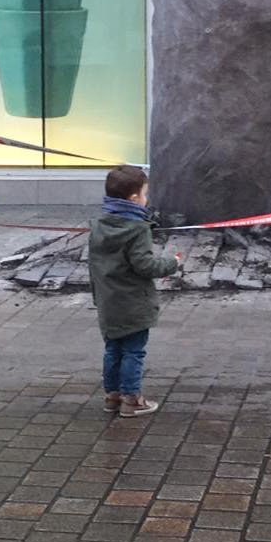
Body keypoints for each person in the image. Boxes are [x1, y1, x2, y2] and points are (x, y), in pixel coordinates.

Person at [88, 165, 181, 418]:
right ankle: (132, 399)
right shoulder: (137, 228)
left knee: (112, 350)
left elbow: (93, 265)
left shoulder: (98, 224)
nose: (146, 199)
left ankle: (112, 396)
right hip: (133, 303)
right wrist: (171, 263)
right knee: (133, 351)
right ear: (133, 199)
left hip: (108, 301)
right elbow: (145, 266)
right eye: (144, 194)